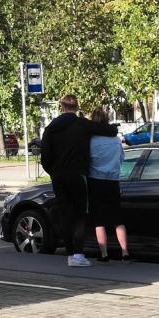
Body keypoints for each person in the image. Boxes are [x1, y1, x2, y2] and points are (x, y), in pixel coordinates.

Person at [41, 95, 118, 267]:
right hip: (77, 175)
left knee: (65, 214)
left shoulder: (50, 128)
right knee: (80, 215)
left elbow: (45, 157)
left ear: (61, 107)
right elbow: (111, 131)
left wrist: (53, 172)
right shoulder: (82, 124)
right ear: (76, 108)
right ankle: (78, 254)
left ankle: (69, 254)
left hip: (58, 177)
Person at [88, 107, 130, 262]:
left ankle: (104, 254)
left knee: (99, 221)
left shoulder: (91, 140)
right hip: (113, 182)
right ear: (106, 120)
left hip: (96, 181)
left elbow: (87, 160)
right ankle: (125, 252)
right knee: (117, 219)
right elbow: (121, 159)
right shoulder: (115, 140)